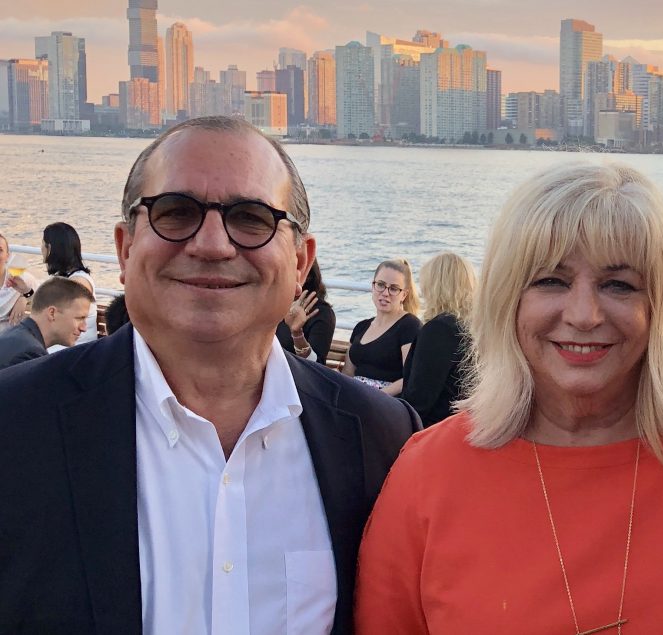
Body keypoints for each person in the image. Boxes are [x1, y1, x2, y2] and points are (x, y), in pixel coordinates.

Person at [0, 115, 420, 633]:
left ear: (300, 263)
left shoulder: (381, 440)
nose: (213, 245)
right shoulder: (14, 426)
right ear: (125, 249)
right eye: (176, 213)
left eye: (252, 218)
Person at [356, 163, 663, 633]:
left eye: (619, 285)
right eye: (551, 280)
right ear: (506, 299)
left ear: (662, 305)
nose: (584, 315)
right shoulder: (428, 472)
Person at [402, 251, 475, 427]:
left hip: (435, 429)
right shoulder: (473, 328)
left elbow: (419, 400)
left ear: (435, 286)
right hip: (463, 425)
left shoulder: (439, 330)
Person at [8, 222, 98, 345]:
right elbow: (50, 309)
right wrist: (26, 292)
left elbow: (56, 315)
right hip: (60, 347)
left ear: (49, 248)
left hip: (75, 349)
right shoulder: (63, 278)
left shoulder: (79, 282)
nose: (41, 248)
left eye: (42, 243)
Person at [342, 258, 422, 395]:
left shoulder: (409, 326)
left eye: (394, 288)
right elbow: (348, 373)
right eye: (380, 285)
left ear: (404, 295)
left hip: (385, 400)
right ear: (373, 286)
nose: (385, 293)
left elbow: (410, 378)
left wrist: (375, 397)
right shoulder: (361, 327)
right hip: (355, 396)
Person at [0, 277, 93, 370]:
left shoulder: (13, 334)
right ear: (52, 313)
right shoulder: (31, 354)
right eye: (79, 318)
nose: (84, 328)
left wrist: (27, 292)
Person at [276, 259, 337, 364]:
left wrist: (297, 334)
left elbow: (316, 366)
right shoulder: (273, 304)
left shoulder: (321, 312)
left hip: (293, 372)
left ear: (306, 275)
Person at [0, 232, 29, 334]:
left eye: (0, 250)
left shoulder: (17, 278)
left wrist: (24, 298)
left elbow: (40, 298)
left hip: (10, 336)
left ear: (7, 256)